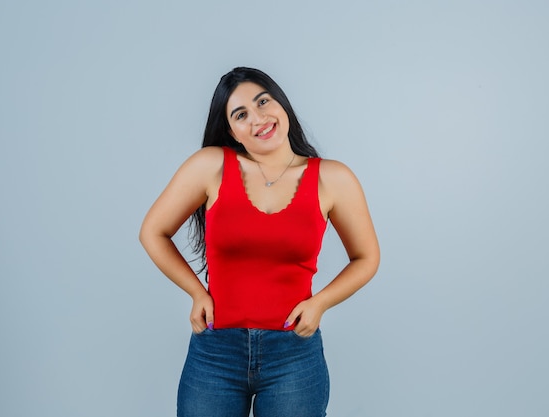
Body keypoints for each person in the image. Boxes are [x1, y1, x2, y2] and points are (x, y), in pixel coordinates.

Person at [139, 67, 380, 417]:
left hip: (293, 354)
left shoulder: (332, 178)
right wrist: (196, 292)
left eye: (263, 101)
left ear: (281, 103)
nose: (259, 118)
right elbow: (152, 232)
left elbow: (367, 257)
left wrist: (320, 304)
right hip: (216, 352)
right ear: (232, 130)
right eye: (241, 114)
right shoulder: (211, 167)